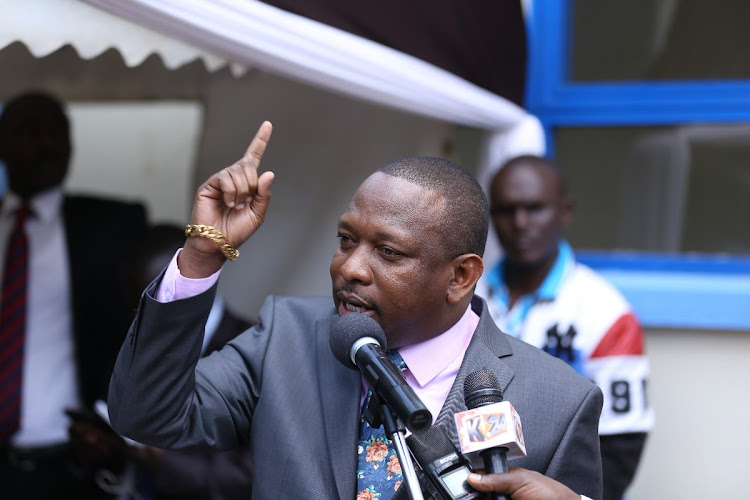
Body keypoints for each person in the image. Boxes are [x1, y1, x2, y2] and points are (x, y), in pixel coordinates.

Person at [107, 122, 604, 499]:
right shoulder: (285, 338)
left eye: (388, 252)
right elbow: (147, 416)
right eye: (346, 240)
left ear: (460, 277)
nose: (351, 268)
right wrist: (202, 254)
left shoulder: (559, 402)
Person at [475, 155, 654, 500]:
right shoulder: (467, 291)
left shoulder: (605, 312)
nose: (521, 222)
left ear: (565, 211)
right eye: (506, 210)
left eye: (535, 208)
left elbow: (621, 445)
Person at [0, 91, 147, 498]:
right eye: (29, 133)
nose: (46, 145)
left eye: (57, 133)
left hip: (72, 462)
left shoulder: (112, 226)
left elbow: (144, 326)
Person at [69, 224, 256, 499]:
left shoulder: (251, 352)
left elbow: (250, 474)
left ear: (200, 283)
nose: (146, 314)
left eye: (163, 299)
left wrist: (157, 459)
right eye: (138, 299)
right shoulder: (126, 336)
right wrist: (105, 450)